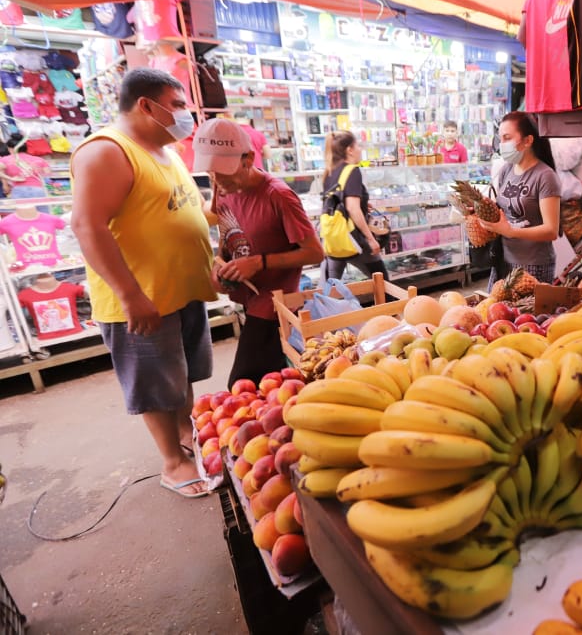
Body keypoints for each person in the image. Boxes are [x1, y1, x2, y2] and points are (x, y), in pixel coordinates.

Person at [70, 68, 216, 499]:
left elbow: (175, 209)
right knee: (154, 387)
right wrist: (131, 295)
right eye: (178, 105)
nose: (185, 115)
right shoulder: (107, 151)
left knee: (181, 377)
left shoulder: (164, 152)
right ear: (147, 106)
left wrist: (215, 212)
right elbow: (86, 225)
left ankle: (187, 441)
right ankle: (173, 463)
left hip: (180, 292)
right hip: (142, 300)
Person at [193, 118, 323, 387]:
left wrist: (259, 263)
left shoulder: (279, 196)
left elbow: (314, 253)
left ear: (248, 159)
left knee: (241, 384)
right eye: (211, 172)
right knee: (275, 385)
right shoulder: (222, 189)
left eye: (225, 171)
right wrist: (221, 265)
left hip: (274, 307)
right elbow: (228, 233)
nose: (217, 179)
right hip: (246, 301)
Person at [479, 111, 561, 284]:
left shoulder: (545, 176)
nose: (502, 144)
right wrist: (481, 211)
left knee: (524, 312)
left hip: (533, 265)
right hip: (503, 260)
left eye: (507, 138)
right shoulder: (506, 170)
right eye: (500, 139)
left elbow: (551, 230)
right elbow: (504, 209)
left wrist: (511, 231)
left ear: (528, 140)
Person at [321, 131, 387, 284]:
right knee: (383, 283)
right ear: (349, 150)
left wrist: (362, 202)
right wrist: (371, 239)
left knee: (330, 288)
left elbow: (335, 202)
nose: (360, 149)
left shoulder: (330, 171)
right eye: (357, 145)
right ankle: (388, 308)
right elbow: (352, 208)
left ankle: (327, 308)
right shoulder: (352, 170)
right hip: (354, 237)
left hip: (334, 238)